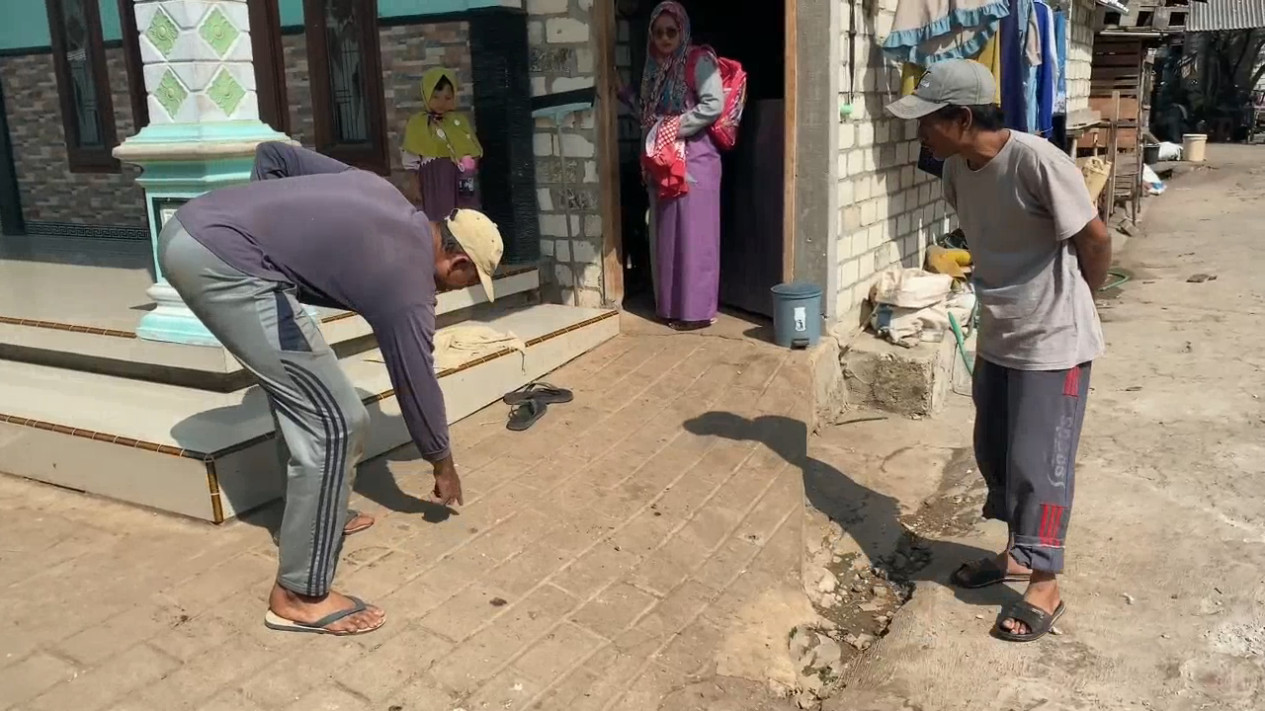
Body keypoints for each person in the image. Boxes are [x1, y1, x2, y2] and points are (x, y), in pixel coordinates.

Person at [160, 141, 504, 636]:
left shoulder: (380, 191)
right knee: (338, 420)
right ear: (458, 263)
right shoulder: (409, 284)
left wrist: (274, 234)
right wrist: (442, 462)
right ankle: (298, 595)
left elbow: (272, 155)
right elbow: (415, 381)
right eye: (466, 283)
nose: (455, 291)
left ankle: (314, 518)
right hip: (224, 261)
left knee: (306, 390)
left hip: (194, 228)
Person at [886, 59, 1111, 643]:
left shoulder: (1037, 160)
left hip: (1054, 341)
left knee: (1041, 465)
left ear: (962, 117)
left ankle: (1045, 584)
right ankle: (1017, 553)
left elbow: (1095, 238)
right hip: (1001, 333)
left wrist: (1083, 299)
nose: (921, 134)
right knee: (997, 455)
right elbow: (988, 237)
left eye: (928, 121)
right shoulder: (957, 170)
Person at [634, 1, 724, 331]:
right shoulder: (655, 68)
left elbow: (714, 104)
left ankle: (697, 312)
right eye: (658, 32)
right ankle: (671, 307)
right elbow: (647, 113)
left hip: (696, 161)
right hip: (664, 161)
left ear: (683, 30)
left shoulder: (698, 60)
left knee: (695, 236)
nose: (664, 38)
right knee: (667, 234)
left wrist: (673, 127)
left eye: (671, 31)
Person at [401, 67, 483, 217]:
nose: (441, 103)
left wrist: (469, 166)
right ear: (426, 95)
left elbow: (472, 149)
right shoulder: (418, 123)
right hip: (433, 180)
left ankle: (457, 241)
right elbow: (412, 157)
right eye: (435, 97)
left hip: (458, 179)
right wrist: (414, 184)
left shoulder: (459, 121)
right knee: (437, 217)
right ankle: (438, 241)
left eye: (447, 98)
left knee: (461, 219)